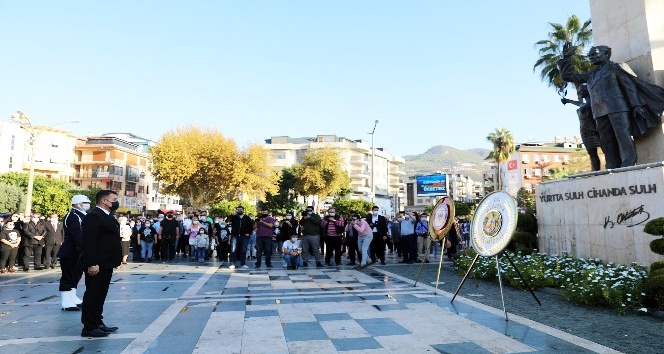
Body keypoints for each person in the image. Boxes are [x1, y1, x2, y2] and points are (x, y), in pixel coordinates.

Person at [559, 43, 664, 169]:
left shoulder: (615, 67)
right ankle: (612, 164)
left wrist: (636, 105)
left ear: (606, 54)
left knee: (623, 135)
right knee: (606, 140)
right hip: (598, 112)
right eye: (590, 55)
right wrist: (566, 58)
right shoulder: (591, 75)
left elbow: (629, 86)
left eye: (595, 54)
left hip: (617, 107)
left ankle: (629, 161)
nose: (591, 57)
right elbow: (567, 76)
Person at [80, 190, 122, 338]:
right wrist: (92, 263)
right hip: (97, 264)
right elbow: (88, 242)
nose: (116, 202)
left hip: (106, 263)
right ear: (104, 201)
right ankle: (89, 326)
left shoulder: (107, 216)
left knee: (101, 294)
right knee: (93, 294)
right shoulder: (93, 216)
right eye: (114, 199)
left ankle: (98, 322)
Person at [58, 195, 91, 311]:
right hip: (70, 252)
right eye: (84, 202)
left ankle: (72, 297)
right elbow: (77, 235)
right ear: (77, 204)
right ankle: (66, 302)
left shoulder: (83, 215)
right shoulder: (72, 215)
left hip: (77, 252)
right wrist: (85, 249)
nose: (87, 204)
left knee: (76, 275)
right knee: (68, 276)